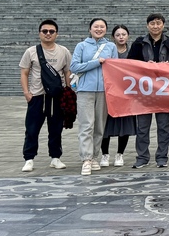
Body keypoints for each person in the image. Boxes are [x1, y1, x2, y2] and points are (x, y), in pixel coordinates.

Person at [127, 13, 169, 169]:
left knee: (163, 126)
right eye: (152, 23)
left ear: (163, 25)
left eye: (158, 23)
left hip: (163, 91)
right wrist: (145, 65)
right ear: (147, 25)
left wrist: (167, 65)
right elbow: (130, 63)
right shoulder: (139, 43)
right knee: (142, 126)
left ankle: (162, 157)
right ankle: (142, 157)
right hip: (144, 91)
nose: (155, 26)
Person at [18, 19, 70, 173]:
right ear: (39, 33)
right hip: (37, 96)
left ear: (57, 34)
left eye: (51, 31)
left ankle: (55, 157)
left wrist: (69, 91)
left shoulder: (64, 51)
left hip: (56, 96)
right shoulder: (31, 51)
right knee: (32, 129)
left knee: (56, 129)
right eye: (45, 31)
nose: (48, 34)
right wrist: (27, 93)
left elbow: (67, 72)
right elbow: (24, 72)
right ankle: (29, 158)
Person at [71, 18, 119, 176]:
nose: (99, 29)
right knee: (86, 125)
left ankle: (94, 157)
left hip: (104, 91)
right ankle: (86, 158)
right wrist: (96, 62)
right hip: (85, 90)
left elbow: (115, 68)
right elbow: (74, 66)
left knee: (99, 126)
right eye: (96, 27)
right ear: (90, 29)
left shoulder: (111, 46)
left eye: (102, 27)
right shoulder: (82, 46)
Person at [100, 24, 137, 167]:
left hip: (127, 94)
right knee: (105, 124)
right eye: (118, 35)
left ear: (128, 36)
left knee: (125, 124)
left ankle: (120, 154)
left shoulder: (133, 51)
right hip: (108, 93)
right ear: (113, 37)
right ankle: (105, 154)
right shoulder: (107, 51)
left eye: (123, 34)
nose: (121, 37)